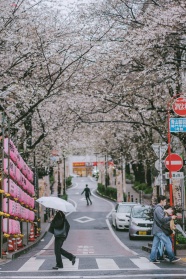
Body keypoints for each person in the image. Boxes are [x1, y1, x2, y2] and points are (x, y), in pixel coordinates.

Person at [150, 195, 180, 264]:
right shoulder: (158, 209)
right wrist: (171, 218)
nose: (165, 202)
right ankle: (172, 258)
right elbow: (162, 219)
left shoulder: (158, 208)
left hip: (157, 230)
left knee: (155, 245)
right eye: (165, 201)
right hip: (160, 230)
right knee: (168, 243)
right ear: (161, 201)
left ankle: (152, 258)